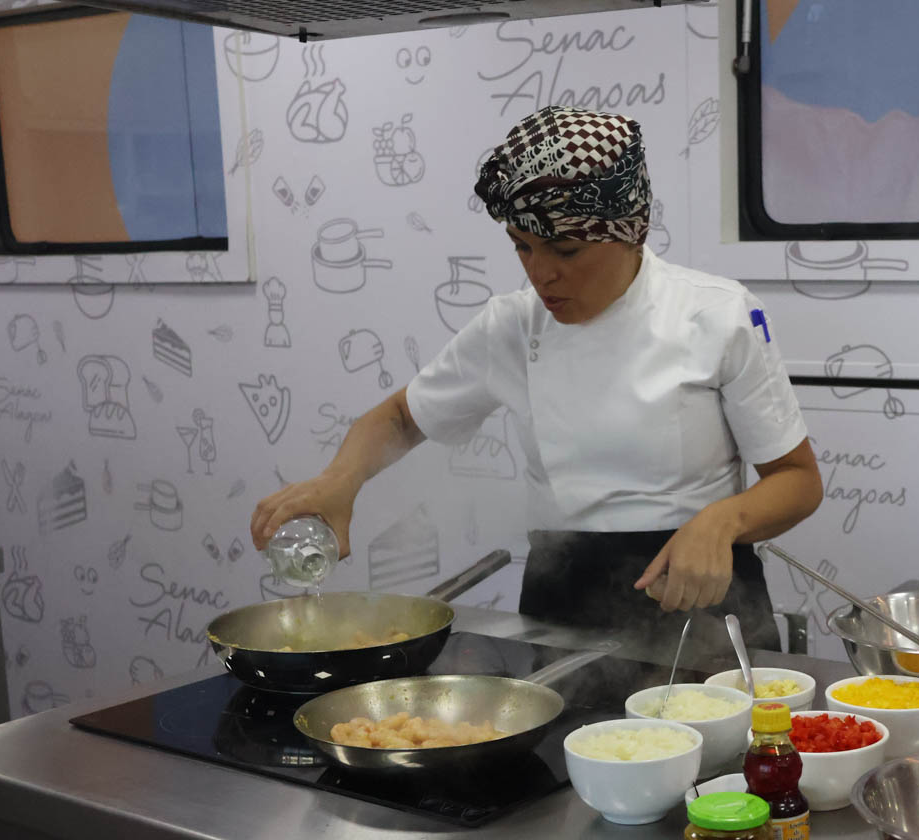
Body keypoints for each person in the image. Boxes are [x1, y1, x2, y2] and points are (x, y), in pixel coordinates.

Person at [251, 106, 822, 651]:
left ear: (631, 232)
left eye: (565, 250)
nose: (540, 273)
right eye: (521, 247)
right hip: (561, 605)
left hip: (702, 602)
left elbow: (797, 480)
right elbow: (402, 417)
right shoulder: (510, 326)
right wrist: (340, 480)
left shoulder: (718, 315)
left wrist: (723, 521)